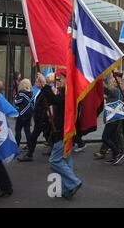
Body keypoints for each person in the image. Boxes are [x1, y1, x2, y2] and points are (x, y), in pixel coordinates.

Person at [37, 72, 82, 200]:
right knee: (66, 159)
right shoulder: (66, 91)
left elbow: (54, 100)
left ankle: (74, 182)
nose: (58, 81)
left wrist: (45, 85)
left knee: (54, 160)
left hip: (64, 131)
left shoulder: (69, 92)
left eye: (60, 78)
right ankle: (67, 188)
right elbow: (56, 101)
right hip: (65, 130)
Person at [18, 75, 53, 162]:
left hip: (41, 121)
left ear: (41, 83)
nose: (34, 83)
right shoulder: (40, 92)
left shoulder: (44, 93)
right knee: (48, 136)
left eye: (37, 81)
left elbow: (45, 108)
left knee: (35, 137)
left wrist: (42, 120)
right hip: (40, 120)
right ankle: (53, 151)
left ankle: (29, 154)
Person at [101, 73, 124, 165]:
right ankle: (115, 156)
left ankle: (118, 152)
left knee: (105, 137)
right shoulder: (120, 90)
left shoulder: (114, 90)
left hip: (113, 118)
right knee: (113, 137)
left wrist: (100, 76)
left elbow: (105, 88)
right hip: (116, 117)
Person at [14, 78, 34, 150]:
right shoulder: (32, 93)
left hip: (22, 114)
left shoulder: (21, 93)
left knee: (18, 130)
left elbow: (17, 102)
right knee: (27, 130)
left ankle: (16, 146)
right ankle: (30, 145)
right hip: (29, 114)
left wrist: (16, 96)